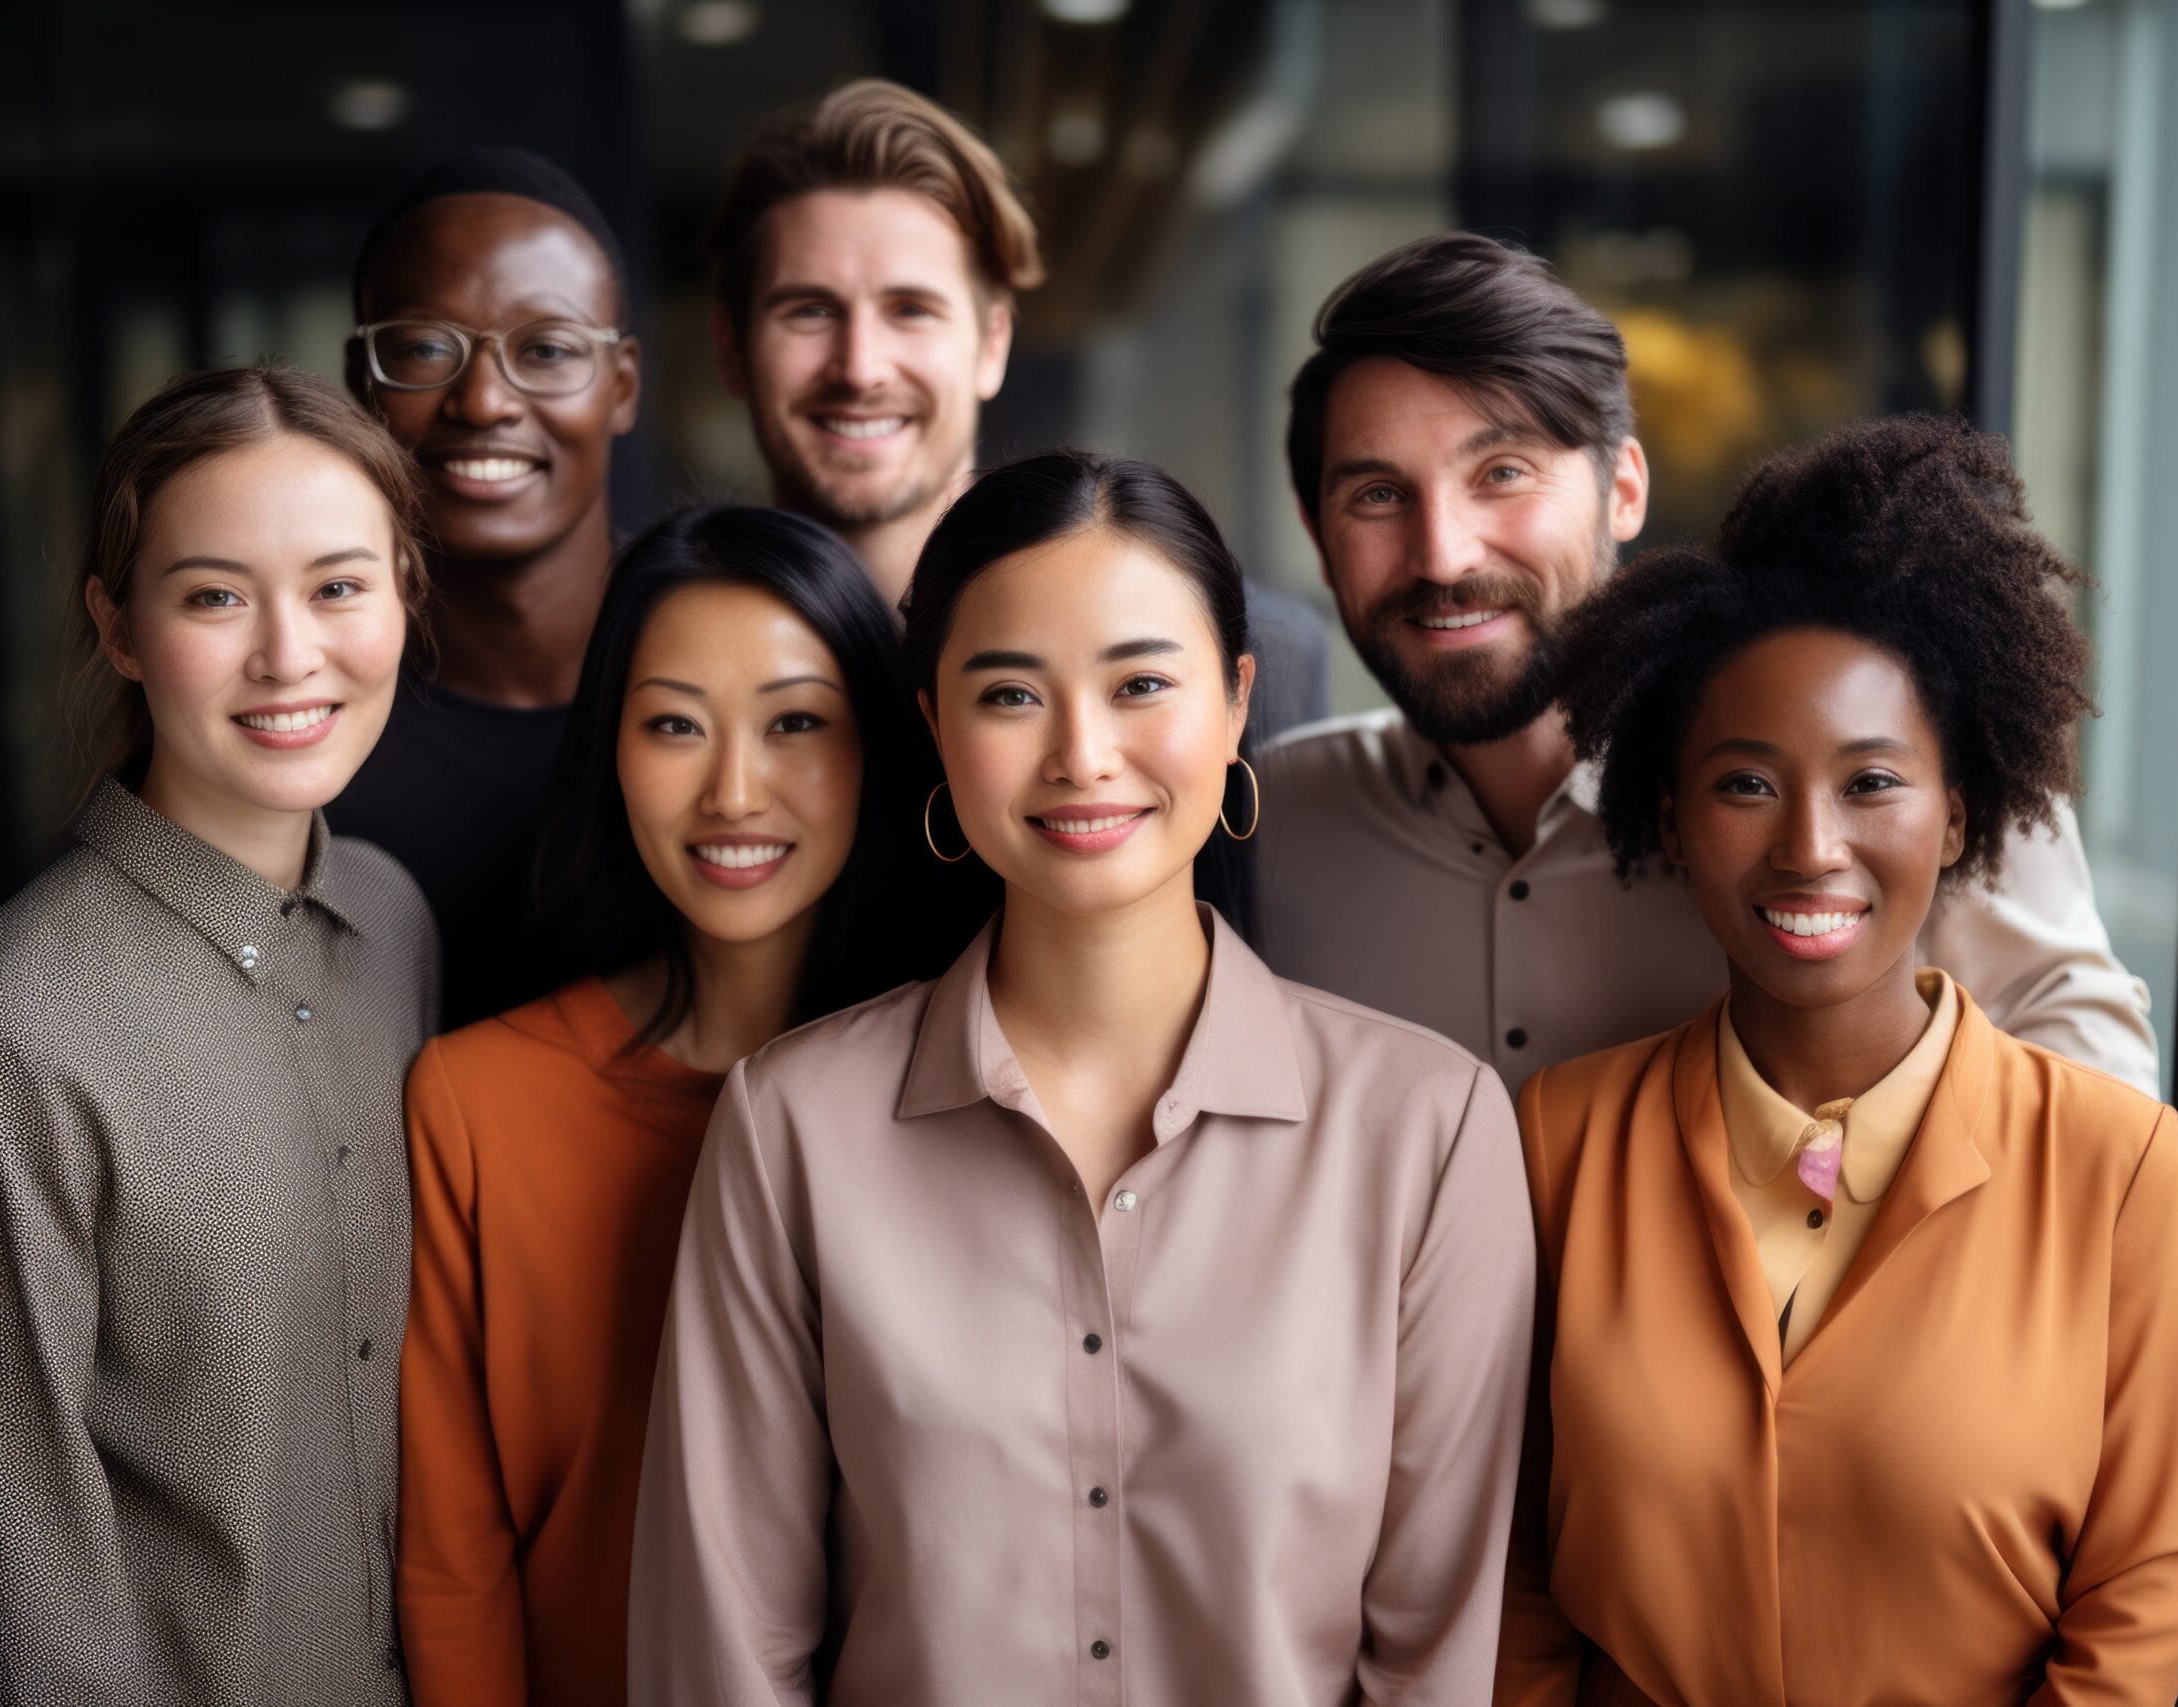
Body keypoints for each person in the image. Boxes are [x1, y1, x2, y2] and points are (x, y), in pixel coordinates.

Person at [627, 451, 1534, 1706]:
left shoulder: (1427, 1134)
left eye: (1142, 684)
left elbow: (1433, 1656)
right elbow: (724, 1651)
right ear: (933, 721)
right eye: (1009, 696)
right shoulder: (793, 1128)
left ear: (1235, 703)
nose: (1081, 754)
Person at [1496, 415, 2178, 1703]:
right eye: (1746, 785)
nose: (1810, 847)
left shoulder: (2116, 1164)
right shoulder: (1557, 1137)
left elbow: (2144, 1583)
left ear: (1959, 815)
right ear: (1671, 815)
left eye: (1872, 782)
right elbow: (1515, 1569)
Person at [0, 365, 437, 1705]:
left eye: (339, 584)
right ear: (117, 624)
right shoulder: (6, 1035)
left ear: (403, 592)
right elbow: (12, 1577)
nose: (290, 654)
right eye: (215, 595)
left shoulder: (396, 925)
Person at [1258, 232, 2160, 1090]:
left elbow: (2092, 1103)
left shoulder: (1875, 750)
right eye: (1378, 495)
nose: (1444, 555)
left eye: (1503, 473)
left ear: (1623, 490)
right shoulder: (1269, 823)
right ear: (1316, 532)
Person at [396, 506, 977, 1707]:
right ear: (608, 747)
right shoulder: (477, 1103)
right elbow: (457, 1563)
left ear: (879, 742)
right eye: (672, 724)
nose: (732, 789)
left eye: (796, 724)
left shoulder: (976, 1084)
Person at [706, 78, 1334, 746]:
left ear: (993, 344)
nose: (861, 367)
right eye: (810, 310)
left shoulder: (1242, 651)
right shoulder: (645, 651)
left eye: (911, 310)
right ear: (733, 351)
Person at [336, 146, 642, 1025]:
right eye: (425, 347)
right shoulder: (302, 711)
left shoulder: (736, 666)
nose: (482, 400)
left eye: (546, 349)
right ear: (364, 385)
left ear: (621, 387)